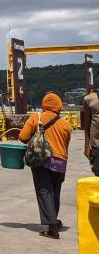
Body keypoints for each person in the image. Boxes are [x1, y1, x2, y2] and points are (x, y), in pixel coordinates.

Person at [18, 92, 72, 239]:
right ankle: (54, 221)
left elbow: (23, 137)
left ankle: (52, 228)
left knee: (44, 192)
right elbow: (66, 146)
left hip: (42, 160)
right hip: (61, 162)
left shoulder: (36, 117)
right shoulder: (65, 123)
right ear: (59, 106)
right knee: (54, 192)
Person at [82, 74, 99, 176]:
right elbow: (87, 125)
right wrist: (86, 146)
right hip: (96, 146)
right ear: (97, 80)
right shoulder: (89, 99)